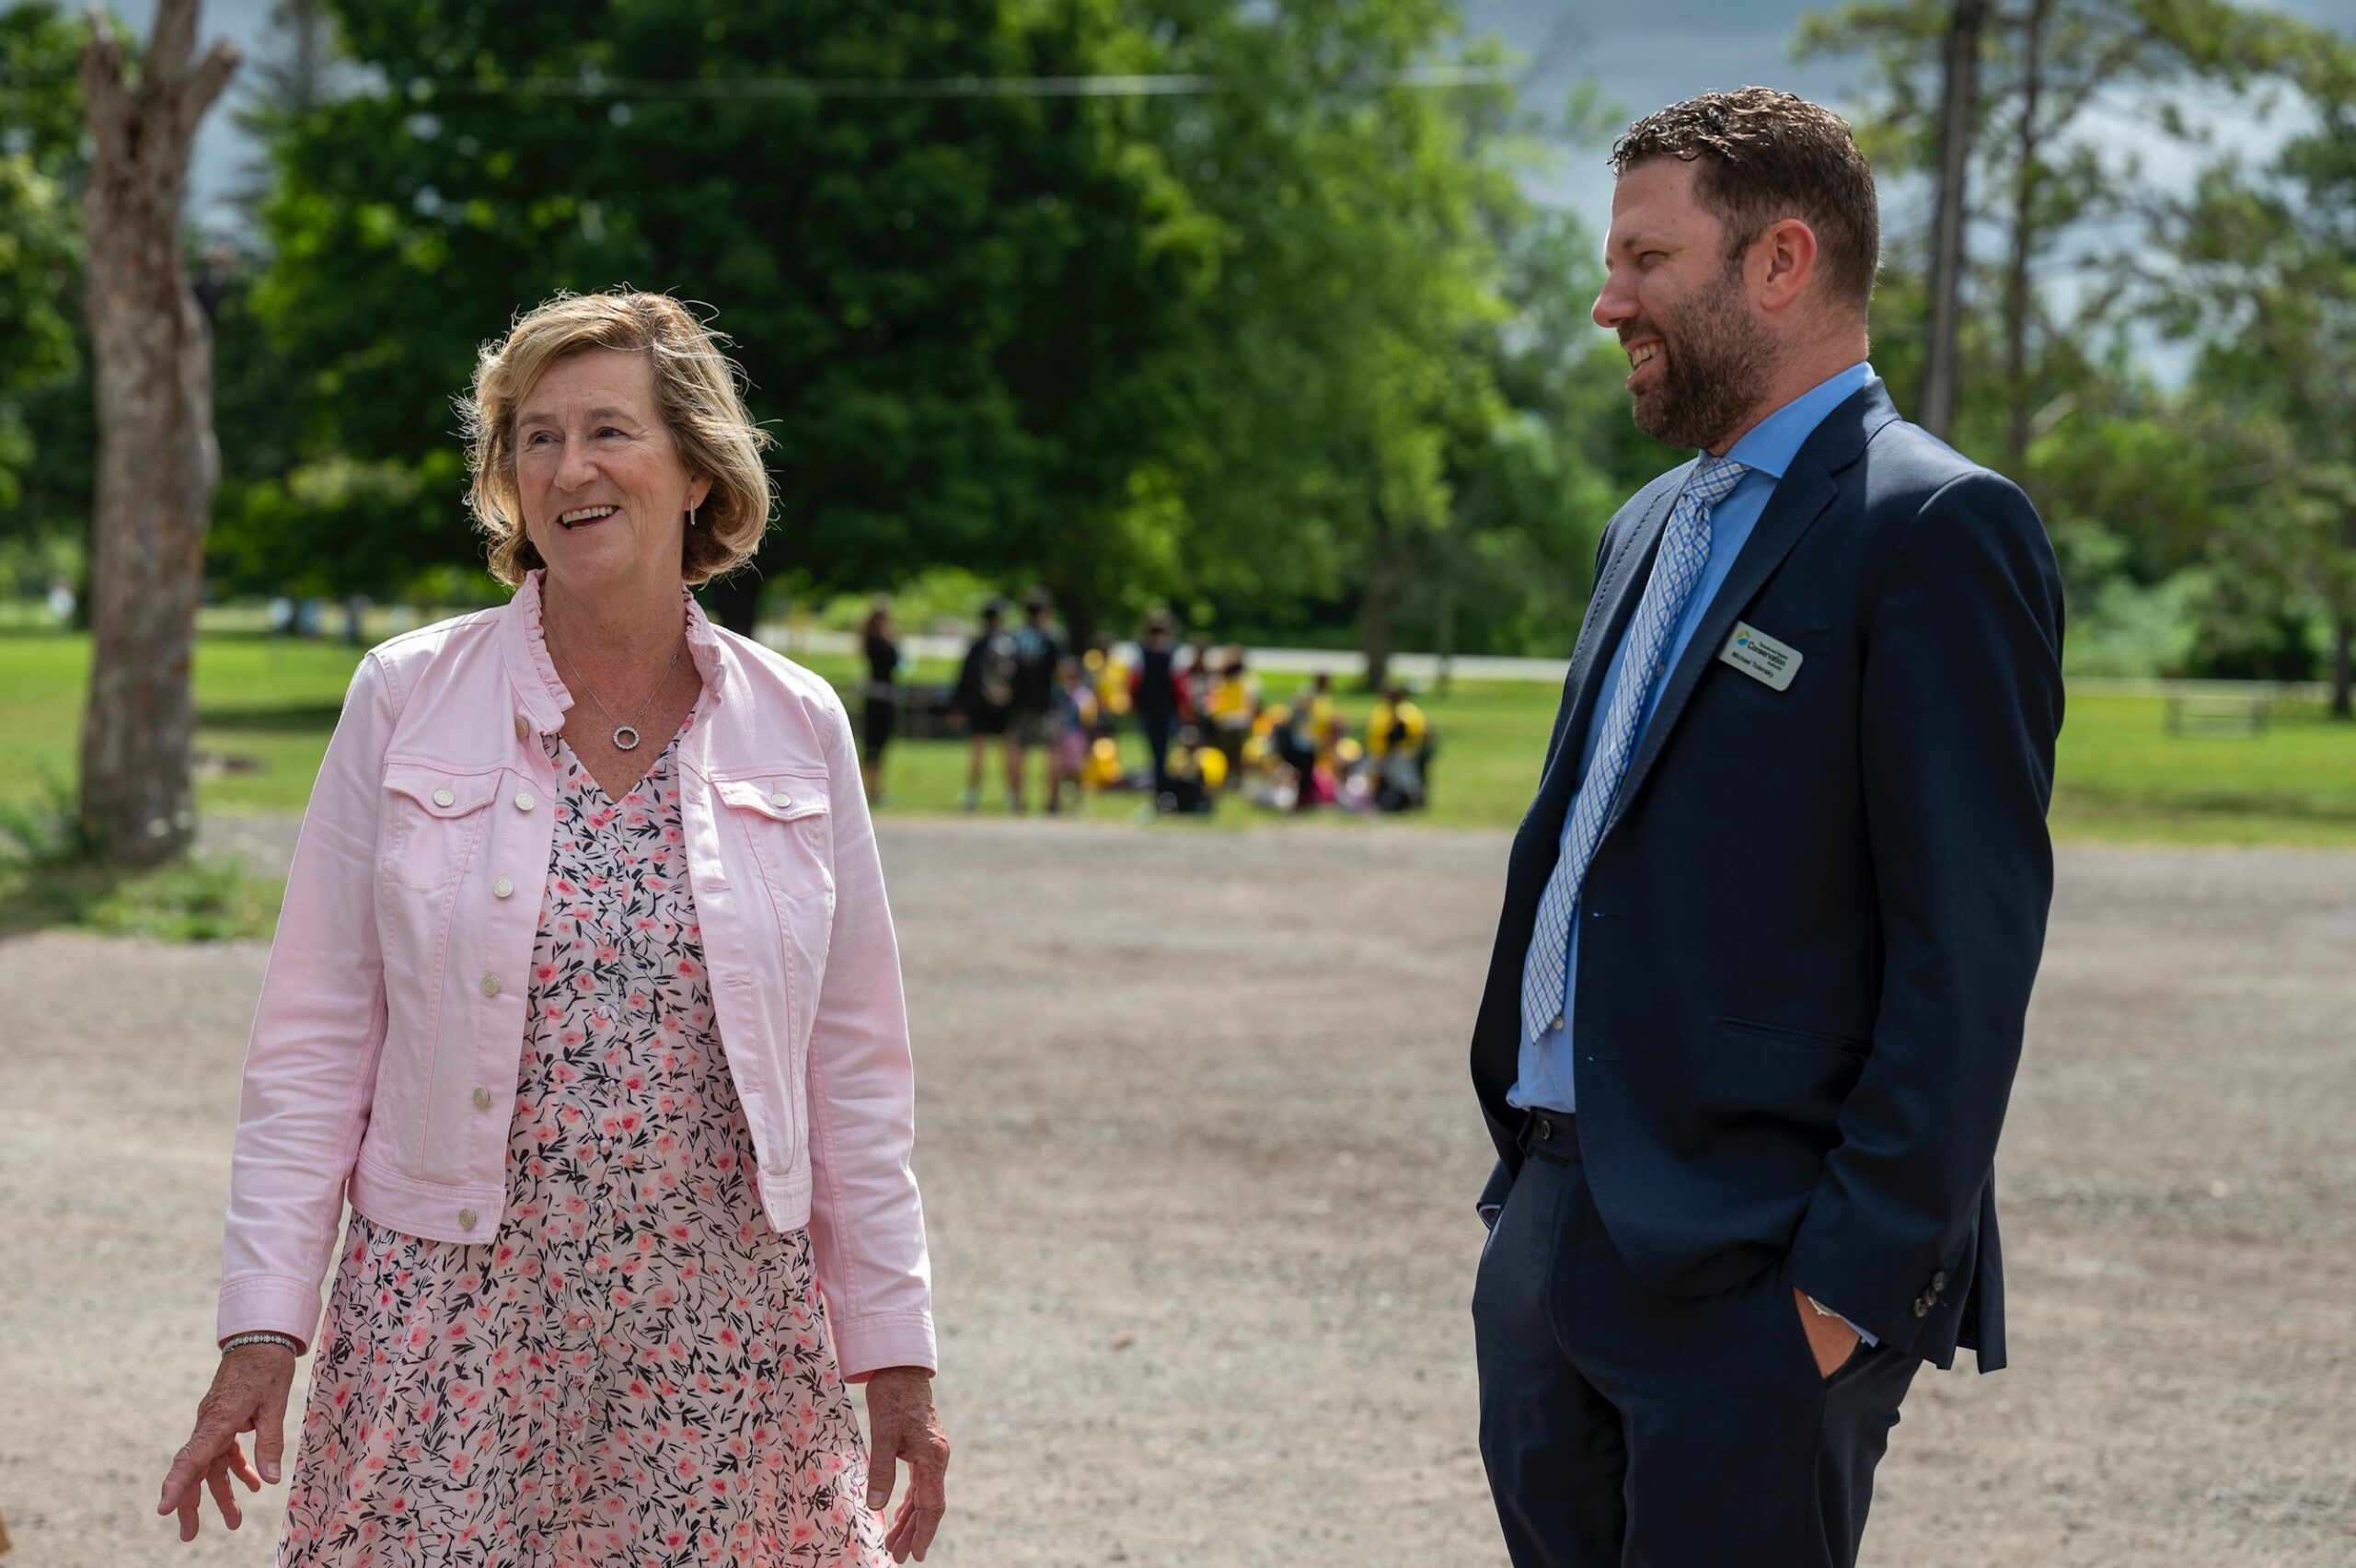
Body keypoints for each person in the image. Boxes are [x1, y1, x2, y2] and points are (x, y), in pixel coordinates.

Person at [159, 292, 950, 1566]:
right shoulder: (406, 699)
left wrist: (897, 1359)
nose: (567, 468)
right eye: (533, 437)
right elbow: (311, 1040)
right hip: (451, 1330)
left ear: (697, 469)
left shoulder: (799, 727)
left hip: (724, 1342)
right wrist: (261, 1333)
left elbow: (855, 1071)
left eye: (607, 432)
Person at [1466, 91, 2063, 1568]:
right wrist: (1522, 1215)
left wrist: (1841, 1292)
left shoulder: (1935, 532)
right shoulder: (1646, 527)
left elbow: (1965, 955)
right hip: (1555, 1225)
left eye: (1646, 259)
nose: (1610, 303)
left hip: (1759, 1274)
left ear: (1782, 261)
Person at [953, 598, 1021, 812]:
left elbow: (966, 677)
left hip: (980, 705)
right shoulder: (1010, 643)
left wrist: (958, 705)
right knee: (1008, 750)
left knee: (978, 751)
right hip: (1005, 706)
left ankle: (973, 794)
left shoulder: (979, 644)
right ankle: (1013, 795)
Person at [1010, 588, 1065, 808]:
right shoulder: (1051, 637)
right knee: (1053, 752)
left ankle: (1018, 800)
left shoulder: (1015, 636)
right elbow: (1061, 671)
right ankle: (1051, 801)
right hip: (1047, 703)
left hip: (1019, 703)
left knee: (1018, 752)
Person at [1129, 612, 1192, 801]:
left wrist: (1183, 707)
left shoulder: (1175, 654)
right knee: (1155, 751)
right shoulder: (1142, 654)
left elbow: (1179, 685)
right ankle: (1160, 788)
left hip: (1167, 710)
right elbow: (1135, 683)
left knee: (1165, 750)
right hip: (1149, 708)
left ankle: (1164, 788)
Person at [1045, 655, 1098, 815]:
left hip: (1076, 735)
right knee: (1055, 769)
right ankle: (1053, 802)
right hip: (1058, 735)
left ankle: (1078, 803)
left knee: (1077, 771)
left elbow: (1088, 720)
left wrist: (1089, 741)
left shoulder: (1084, 694)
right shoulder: (1056, 692)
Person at [860, 596, 900, 805]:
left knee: (877, 746)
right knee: (875, 745)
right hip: (880, 697)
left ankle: (875, 788)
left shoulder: (873, 640)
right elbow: (895, 661)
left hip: (880, 696)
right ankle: (872, 789)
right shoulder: (877, 642)